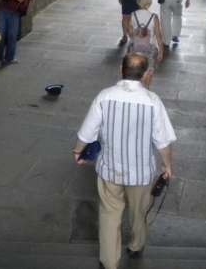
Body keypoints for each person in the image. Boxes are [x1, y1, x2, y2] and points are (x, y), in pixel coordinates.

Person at [74, 53, 176, 269]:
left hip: (110, 169)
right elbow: (163, 142)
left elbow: (86, 133)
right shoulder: (152, 101)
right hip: (142, 173)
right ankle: (136, 246)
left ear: (121, 69)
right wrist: (167, 166)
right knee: (139, 212)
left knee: (110, 214)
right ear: (146, 73)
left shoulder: (105, 96)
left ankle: (109, 262)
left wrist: (78, 152)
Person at [126, 0, 164, 88]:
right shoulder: (154, 17)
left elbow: (130, 32)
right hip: (149, 49)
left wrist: (138, 38)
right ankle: (146, 88)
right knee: (149, 69)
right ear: (150, 2)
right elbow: (158, 35)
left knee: (134, 69)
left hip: (135, 48)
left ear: (138, 1)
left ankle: (134, 87)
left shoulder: (133, 15)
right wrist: (161, 51)